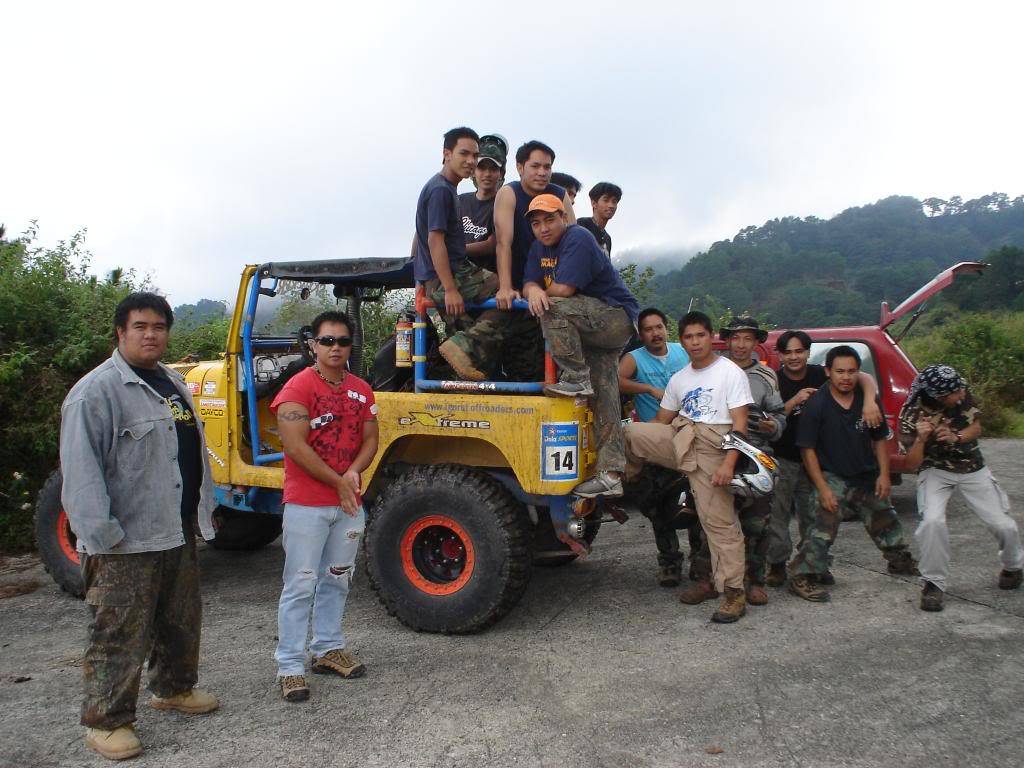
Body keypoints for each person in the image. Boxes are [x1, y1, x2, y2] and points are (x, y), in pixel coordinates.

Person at [60, 292, 219, 761]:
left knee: (180, 620)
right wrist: (103, 537)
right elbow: (81, 472)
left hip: (174, 527)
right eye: (140, 327)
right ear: (121, 332)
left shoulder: (171, 382)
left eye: (159, 327)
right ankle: (106, 721)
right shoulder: (96, 392)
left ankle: (173, 688)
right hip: (124, 541)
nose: (150, 335)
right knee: (117, 633)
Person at [270, 310, 379, 702]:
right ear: (313, 345)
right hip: (307, 504)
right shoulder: (297, 389)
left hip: (348, 504)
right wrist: (338, 482)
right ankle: (290, 666)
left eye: (343, 341)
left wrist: (353, 472)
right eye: (327, 341)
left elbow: (371, 438)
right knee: (300, 583)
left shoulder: (362, 390)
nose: (335, 348)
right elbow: (295, 447)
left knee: (337, 576)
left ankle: (328, 648)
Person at [624, 311, 754, 623]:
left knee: (718, 523)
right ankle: (627, 474)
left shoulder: (729, 372)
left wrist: (729, 463)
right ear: (682, 341)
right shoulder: (680, 379)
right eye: (688, 337)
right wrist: (642, 454)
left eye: (700, 336)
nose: (695, 342)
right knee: (629, 432)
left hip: (715, 447)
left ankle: (734, 594)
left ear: (711, 337)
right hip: (683, 437)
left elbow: (740, 425)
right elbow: (660, 422)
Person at [522, 193, 638, 499]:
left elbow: (563, 290)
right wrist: (532, 288)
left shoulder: (578, 238)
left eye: (549, 219)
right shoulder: (538, 248)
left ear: (563, 217)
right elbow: (529, 282)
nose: (543, 228)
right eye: (536, 223)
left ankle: (575, 377)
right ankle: (611, 473)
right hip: (589, 325)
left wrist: (537, 292)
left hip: (615, 317)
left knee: (552, 306)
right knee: (605, 394)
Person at [790, 345, 918, 602]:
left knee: (885, 517)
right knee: (822, 527)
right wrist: (823, 489)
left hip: (865, 473)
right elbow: (808, 450)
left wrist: (884, 475)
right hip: (832, 475)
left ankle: (900, 561)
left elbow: (879, 439)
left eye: (851, 371)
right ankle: (802, 575)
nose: (845, 377)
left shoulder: (866, 400)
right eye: (839, 371)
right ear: (828, 372)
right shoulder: (817, 405)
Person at [898, 364, 1023, 611]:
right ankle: (933, 583)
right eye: (954, 393)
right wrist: (922, 439)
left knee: (1002, 523)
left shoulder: (961, 390)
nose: (961, 394)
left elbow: (976, 426)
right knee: (932, 522)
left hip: (971, 467)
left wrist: (956, 437)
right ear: (938, 396)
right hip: (935, 469)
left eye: (959, 389)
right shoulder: (910, 415)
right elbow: (911, 464)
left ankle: (1013, 566)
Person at [764, 331, 882, 588]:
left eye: (799, 351)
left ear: (808, 352)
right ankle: (776, 565)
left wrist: (870, 401)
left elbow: (863, 376)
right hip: (782, 457)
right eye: (788, 352)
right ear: (780, 355)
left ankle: (815, 564)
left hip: (816, 459)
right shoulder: (774, 380)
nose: (794, 357)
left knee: (815, 516)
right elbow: (767, 420)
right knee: (777, 515)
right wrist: (795, 400)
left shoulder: (821, 373)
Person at [683, 317, 785, 607]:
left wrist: (773, 426)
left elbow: (780, 416)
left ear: (756, 343)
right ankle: (707, 580)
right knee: (708, 521)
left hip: (753, 456)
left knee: (756, 524)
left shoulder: (766, 378)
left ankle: (753, 581)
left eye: (747, 339)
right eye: (736, 338)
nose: (741, 345)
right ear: (726, 340)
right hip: (714, 453)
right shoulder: (707, 370)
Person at [414, 126, 513, 381]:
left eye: (475, 156)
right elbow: (434, 240)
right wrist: (449, 288)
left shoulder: (447, 189)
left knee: (474, 344)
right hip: (452, 274)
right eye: (464, 154)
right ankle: (462, 344)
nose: (470, 161)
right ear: (447, 153)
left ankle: (463, 354)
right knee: (508, 292)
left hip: (442, 275)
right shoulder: (440, 190)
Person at [618, 308, 693, 587]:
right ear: (641, 334)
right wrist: (647, 389)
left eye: (659, 327)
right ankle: (670, 563)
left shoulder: (681, 352)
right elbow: (617, 379)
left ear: (666, 327)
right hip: (652, 441)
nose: (655, 333)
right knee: (659, 508)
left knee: (694, 501)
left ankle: (700, 562)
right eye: (648, 329)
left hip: (688, 436)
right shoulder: (634, 358)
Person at [492, 141, 577, 381]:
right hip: (521, 281)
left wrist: (563, 287)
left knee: (556, 354)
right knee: (520, 355)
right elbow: (503, 242)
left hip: (553, 283)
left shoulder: (559, 194)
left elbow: (573, 240)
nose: (542, 172)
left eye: (547, 167)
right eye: (535, 166)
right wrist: (506, 287)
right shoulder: (509, 193)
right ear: (520, 167)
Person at [459, 134, 507, 272]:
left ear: (501, 174)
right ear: (473, 171)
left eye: (493, 169)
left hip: (486, 276)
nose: (487, 174)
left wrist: (452, 250)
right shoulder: (459, 201)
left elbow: (492, 244)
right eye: (482, 168)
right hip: (454, 269)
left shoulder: (504, 204)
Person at [577, 182, 622, 259]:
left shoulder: (607, 238)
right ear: (594, 203)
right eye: (606, 200)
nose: (611, 205)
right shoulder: (582, 225)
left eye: (614, 202)